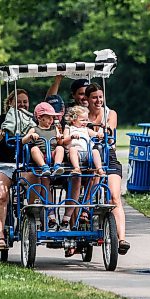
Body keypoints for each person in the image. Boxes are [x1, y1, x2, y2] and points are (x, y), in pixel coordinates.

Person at [0, 89, 38, 250]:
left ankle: (28, 219)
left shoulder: (32, 120)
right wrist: (3, 132)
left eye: (25, 101)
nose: (23, 104)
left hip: (23, 165)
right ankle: (0, 235)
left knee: (37, 184)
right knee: (2, 196)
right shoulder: (4, 119)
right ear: (10, 103)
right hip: (2, 164)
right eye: (19, 101)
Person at [86, 83, 130, 255]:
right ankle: (82, 216)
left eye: (100, 97)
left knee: (114, 196)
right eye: (94, 97)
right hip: (89, 157)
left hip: (108, 156)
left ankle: (121, 239)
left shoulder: (109, 113)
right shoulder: (83, 116)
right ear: (87, 100)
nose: (98, 100)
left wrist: (105, 130)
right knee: (88, 188)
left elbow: (110, 127)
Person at [22, 102, 65, 177]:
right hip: (41, 154)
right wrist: (30, 135)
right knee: (34, 149)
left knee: (60, 148)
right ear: (39, 118)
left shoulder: (54, 128)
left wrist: (59, 138)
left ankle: (57, 166)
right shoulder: (34, 129)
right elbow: (23, 141)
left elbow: (60, 143)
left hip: (52, 153)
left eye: (52, 117)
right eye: (48, 117)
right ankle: (44, 167)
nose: (51, 120)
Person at [63, 106, 106, 176]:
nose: (85, 122)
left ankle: (99, 169)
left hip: (87, 152)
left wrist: (99, 135)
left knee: (95, 151)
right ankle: (76, 168)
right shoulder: (69, 128)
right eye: (82, 120)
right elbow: (64, 141)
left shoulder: (86, 129)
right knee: (72, 149)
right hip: (76, 153)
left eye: (86, 120)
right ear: (73, 120)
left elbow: (95, 134)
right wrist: (71, 137)